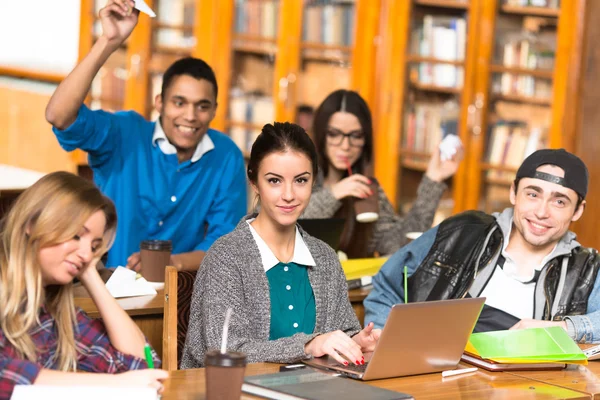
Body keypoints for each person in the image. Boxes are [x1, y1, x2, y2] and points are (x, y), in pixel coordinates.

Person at [45, 0, 246, 270]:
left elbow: (225, 245)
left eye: (202, 106)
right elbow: (59, 116)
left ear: (214, 111)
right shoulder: (125, 133)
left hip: (178, 291)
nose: (190, 116)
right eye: (179, 103)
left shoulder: (225, 156)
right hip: (105, 285)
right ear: (159, 103)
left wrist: (169, 263)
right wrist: (108, 40)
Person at [181, 122, 380, 368]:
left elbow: (341, 331)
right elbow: (224, 350)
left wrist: (356, 343)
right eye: (274, 181)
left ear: (313, 182)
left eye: (300, 180)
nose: (288, 195)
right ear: (254, 181)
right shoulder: (226, 256)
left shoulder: (325, 257)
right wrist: (308, 346)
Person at [364, 149, 600, 342]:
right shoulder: (461, 232)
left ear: (578, 210)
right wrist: (383, 343)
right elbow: (388, 284)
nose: (541, 212)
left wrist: (559, 328)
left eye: (559, 201)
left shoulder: (587, 269)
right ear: (513, 193)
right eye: (532, 194)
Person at [0, 172, 167, 399]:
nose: (87, 253)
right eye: (78, 236)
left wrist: (89, 273)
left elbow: (140, 364)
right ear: (32, 223)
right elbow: (6, 376)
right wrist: (115, 385)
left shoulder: (54, 311)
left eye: (95, 245)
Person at [302, 89, 461, 258]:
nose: (345, 145)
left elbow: (398, 244)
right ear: (320, 134)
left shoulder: (367, 191)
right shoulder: (296, 179)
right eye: (334, 134)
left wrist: (433, 180)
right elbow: (286, 226)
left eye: (356, 136)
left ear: (366, 140)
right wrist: (334, 194)